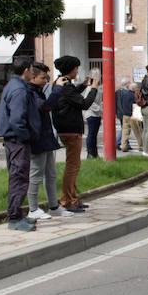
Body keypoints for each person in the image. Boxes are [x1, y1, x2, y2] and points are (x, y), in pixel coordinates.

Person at [0, 59, 41, 231]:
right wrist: (25, 137)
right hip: (17, 140)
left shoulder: (12, 85)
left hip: (14, 139)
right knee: (19, 178)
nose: (33, 73)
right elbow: (17, 119)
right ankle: (15, 218)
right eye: (31, 70)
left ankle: (17, 214)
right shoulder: (19, 90)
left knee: (17, 177)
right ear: (26, 70)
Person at [25, 62, 72, 220]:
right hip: (37, 138)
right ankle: (33, 208)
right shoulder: (30, 92)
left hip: (46, 136)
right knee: (36, 174)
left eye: (47, 78)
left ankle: (53, 205)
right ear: (32, 77)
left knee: (51, 174)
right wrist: (56, 88)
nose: (46, 81)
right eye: (43, 77)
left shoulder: (38, 90)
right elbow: (46, 106)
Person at [52, 56, 98, 212]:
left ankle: (73, 197)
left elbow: (71, 97)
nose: (78, 71)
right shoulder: (65, 86)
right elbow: (84, 104)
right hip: (71, 129)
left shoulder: (63, 83)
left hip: (67, 128)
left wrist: (83, 86)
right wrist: (94, 88)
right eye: (76, 68)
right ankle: (67, 200)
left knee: (74, 165)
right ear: (71, 69)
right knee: (72, 166)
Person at [83, 68, 102, 158]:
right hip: (91, 113)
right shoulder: (89, 88)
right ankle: (90, 153)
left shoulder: (98, 87)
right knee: (91, 133)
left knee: (94, 134)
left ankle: (94, 152)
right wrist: (100, 108)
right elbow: (89, 101)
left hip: (97, 114)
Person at [115, 78, 136, 151]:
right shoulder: (125, 92)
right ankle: (118, 142)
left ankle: (126, 143)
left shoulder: (118, 91)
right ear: (126, 84)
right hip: (124, 113)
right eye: (129, 82)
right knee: (124, 129)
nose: (130, 84)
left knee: (125, 129)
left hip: (120, 112)